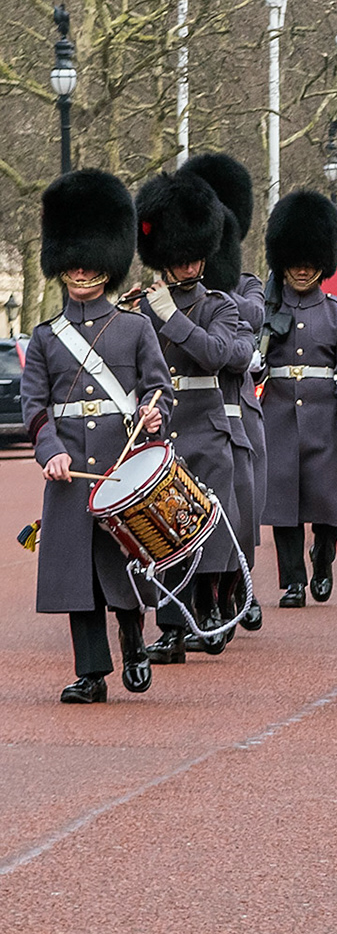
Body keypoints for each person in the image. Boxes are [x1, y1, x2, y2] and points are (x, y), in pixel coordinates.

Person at [24, 171, 173, 703]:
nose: (82, 270)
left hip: (120, 464)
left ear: (107, 264)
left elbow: (160, 390)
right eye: (73, 261)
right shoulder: (44, 338)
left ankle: (133, 639)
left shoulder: (134, 328)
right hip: (70, 474)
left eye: (91, 261)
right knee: (77, 577)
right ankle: (91, 672)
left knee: (122, 565)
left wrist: (155, 419)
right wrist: (52, 452)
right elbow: (35, 407)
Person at [133, 169, 254, 663]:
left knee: (208, 529)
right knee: (162, 531)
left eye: (193, 256)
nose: (186, 265)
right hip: (163, 430)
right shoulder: (139, 311)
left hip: (207, 429)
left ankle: (207, 609)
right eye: (177, 257)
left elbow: (216, 354)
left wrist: (171, 316)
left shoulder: (219, 306)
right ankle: (169, 628)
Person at [260, 190, 337, 610]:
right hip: (279, 413)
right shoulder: (265, 310)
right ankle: (292, 582)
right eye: (295, 262)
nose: (302, 270)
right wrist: (254, 356)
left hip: (323, 415)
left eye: (309, 263)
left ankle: (323, 557)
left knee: (326, 503)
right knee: (282, 506)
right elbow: (250, 360)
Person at [185, 152, 268, 634]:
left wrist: (203, 296)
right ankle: (199, 599)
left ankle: (238, 583)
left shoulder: (246, 285)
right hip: (194, 413)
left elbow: (252, 318)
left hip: (237, 412)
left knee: (241, 507)